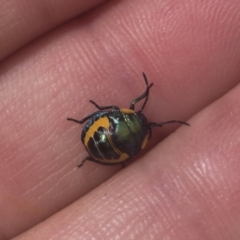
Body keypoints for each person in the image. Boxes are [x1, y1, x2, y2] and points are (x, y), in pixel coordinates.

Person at [1, 0, 240, 239]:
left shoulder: (129, 122)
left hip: (98, 136)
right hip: (104, 148)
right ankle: (88, 149)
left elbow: (106, 113)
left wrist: (100, 114)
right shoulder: (140, 141)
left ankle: (83, 134)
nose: (143, 117)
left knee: (110, 111)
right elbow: (127, 152)